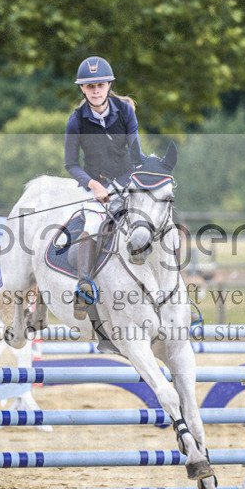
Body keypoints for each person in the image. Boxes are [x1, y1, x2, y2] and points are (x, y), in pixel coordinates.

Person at [64, 55, 144, 319]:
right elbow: (71, 164)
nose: (96, 90)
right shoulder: (76, 121)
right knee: (92, 222)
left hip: (126, 180)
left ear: (109, 85)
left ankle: (175, 288)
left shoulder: (126, 112)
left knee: (154, 215)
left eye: (100, 85)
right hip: (94, 185)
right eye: (90, 86)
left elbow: (136, 155)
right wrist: (94, 185)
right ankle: (84, 285)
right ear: (82, 89)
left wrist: (122, 184)